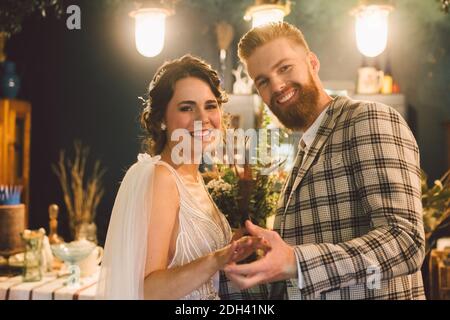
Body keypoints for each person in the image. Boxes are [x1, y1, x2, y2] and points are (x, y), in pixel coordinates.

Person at [221, 22, 426, 300]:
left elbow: (405, 242)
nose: (277, 86)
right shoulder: (306, 148)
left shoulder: (367, 118)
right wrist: (234, 263)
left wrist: (295, 261)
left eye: (284, 68)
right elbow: (294, 283)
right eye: (263, 81)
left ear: (312, 62)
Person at [96, 55, 267, 300]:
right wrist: (218, 258)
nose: (203, 118)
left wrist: (239, 242)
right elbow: (148, 291)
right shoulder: (162, 178)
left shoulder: (195, 177)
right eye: (187, 107)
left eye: (210, 105)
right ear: (161, 119)